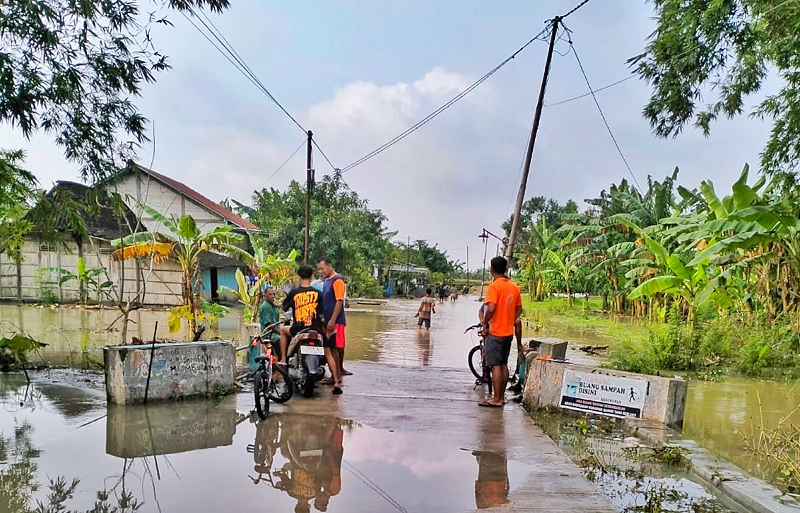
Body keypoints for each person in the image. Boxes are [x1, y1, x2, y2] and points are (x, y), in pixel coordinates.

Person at [280, 265, 342, 394]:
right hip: (315, 329)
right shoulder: (318, 293)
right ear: (312, 277)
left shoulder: (294, 292)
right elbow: (321, 313)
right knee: (328, 353)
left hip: (298, 329)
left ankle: (284, 361)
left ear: (298, 277)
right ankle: (336, 382)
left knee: (282, 330)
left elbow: (284, 308)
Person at [479, 256, 522, 408]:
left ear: (491, 270)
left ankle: (496, 399)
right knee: (503, 364)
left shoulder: (494, 287)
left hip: (496, 331)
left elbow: (490, 308)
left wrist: (485, 322)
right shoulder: (514, 287)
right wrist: (510, 320)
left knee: (495, 366)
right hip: (508, 333)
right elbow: (519, 309)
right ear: (505, 269)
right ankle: (501, 397)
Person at [316, 257, 351, 378]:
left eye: (322, 268)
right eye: (318, 269)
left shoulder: (337, 281)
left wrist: (332, 320)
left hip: (336, 320)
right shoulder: (327, 281)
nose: (320, 271)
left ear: (330, 266)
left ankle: (336, 374)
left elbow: (339, 301)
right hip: (329, 320)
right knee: (334, 347)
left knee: (334, 347)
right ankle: (338, 371)